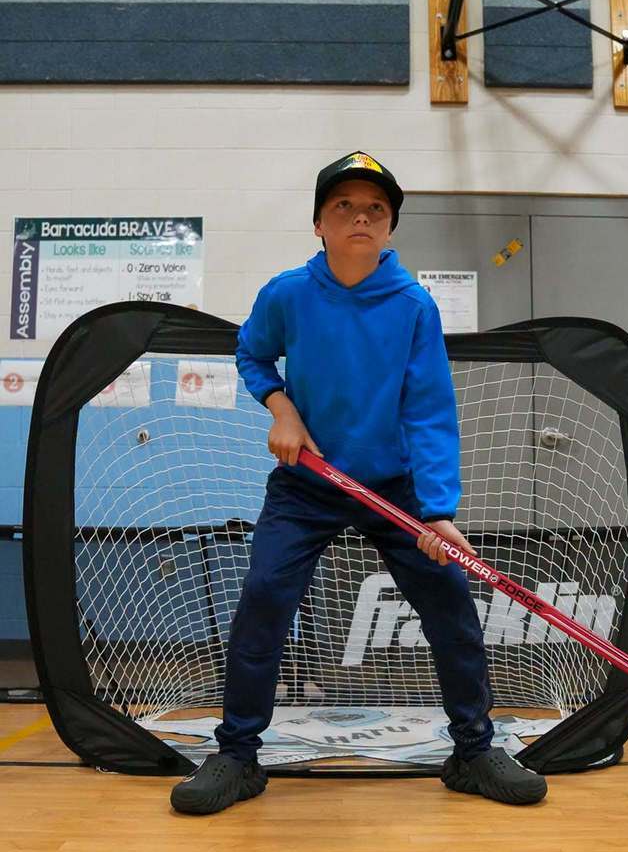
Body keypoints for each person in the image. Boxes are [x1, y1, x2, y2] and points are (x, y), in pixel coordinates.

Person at [171, 152, 547, 814]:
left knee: (451, 605)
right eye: (343, 205)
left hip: (393, 487)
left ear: (391, 228)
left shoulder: (412, 306)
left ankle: (473, 751)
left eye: (375, 208)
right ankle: (236, 755)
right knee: (262, 595)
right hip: (308, 484)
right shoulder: (286, 293)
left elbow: (429, 408)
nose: (360, 217)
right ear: (319, 222)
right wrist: (281, 407)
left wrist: (437, 511)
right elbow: (253, 353)